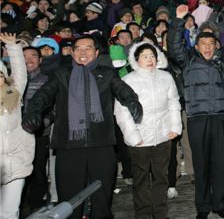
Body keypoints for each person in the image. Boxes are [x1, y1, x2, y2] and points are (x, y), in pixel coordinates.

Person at [22, 35, 143, 219]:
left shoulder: (107, 74)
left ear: (96, 52)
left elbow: (124, 91)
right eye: (78, 48)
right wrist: (34, 111)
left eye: (88, 48)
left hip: (101, 145)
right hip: (69, 147)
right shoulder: (62, 74)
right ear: (72, 52)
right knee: (69, 204)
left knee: (102, 202)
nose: (83, 52)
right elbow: (43, 95)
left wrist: (133, 102)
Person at [167, 3, 224, 219]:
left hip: (219, 118)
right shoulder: (188, 61)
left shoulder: (222, 62)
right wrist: (179, 22)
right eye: (203, 44)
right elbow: (175, 47)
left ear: (216, 46)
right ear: (196, 46)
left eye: (211, 44)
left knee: (220, 164)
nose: (207, 47)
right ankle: (203, 207)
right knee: (201, 163)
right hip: (197, 119)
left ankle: (219, 205)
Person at [114, 42, 182, 219]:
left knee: (161, 177)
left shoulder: (166, 77)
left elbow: (174, 103)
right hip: (140, 137)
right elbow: (122, 112)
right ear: (136, 60)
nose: (149, 59)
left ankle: (161, 213)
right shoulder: (128, 80)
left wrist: (175, 127)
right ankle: (143, 214)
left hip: (163, 135)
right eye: (144, 56)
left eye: (152, 56)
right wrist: (133, 136)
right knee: (141, 179)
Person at [0, 33, 33, 219]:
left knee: (10, 211)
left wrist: (13, 47)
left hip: (15, 162)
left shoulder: (14, 94)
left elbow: (20, 73)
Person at [21, 46, 52, 211]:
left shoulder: (47, 80)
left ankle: (37, 206)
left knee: (38, 169)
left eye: (33, 56)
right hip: (14, 134)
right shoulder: (9, 79)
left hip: (39, 133)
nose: (29, 59)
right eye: (24, 56)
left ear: (40, 60)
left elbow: (54, 105)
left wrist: (45, 121)